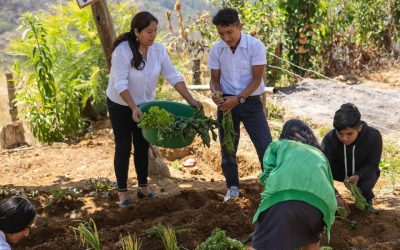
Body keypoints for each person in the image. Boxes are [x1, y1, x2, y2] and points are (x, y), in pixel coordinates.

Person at [106, 11, 201, 208]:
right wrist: (132, 107)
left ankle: (143, 188)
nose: (153, 35)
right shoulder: (123, 51)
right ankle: (122, 192)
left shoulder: (158, 50)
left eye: (155, 31)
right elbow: (120, 84)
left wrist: (191, 100)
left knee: (142, 144)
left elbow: (173, 75)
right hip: (121, 104)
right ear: (137, 32)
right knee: (123, 147)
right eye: (149, 31)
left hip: (145, 105)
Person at [208, 8, 272, 202]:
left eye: (229, 32)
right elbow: (214, 79)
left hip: (250, 101)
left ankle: (271, 186)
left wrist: (239, 98)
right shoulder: (216, 49)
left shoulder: (255, 46)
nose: (226, 38)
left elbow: (256, 79)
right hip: (226, 104)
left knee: (265, 146)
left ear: (239, 26)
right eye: (221, 34)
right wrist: (216, 93)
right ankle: (233, 188)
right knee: (228, 148)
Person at [252, 119, 337, 250]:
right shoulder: (319, 155)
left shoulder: (278, 145)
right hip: (318, 207)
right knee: (311, 241)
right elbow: (328, 186)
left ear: (285, 135)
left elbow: (268, 176)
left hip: (282, 202)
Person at [322, 103, 382, 211]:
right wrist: (335, 195)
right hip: (338, 171)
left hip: (362, 171)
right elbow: (321, 169)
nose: (344, 138)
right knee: (321, 172)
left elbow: (372, 164)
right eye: (340, 134)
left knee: (364, 188)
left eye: (349, 134)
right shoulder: (329, 139)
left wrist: (358, 176)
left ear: (359, 128)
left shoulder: (373, 136)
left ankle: (366, 199)